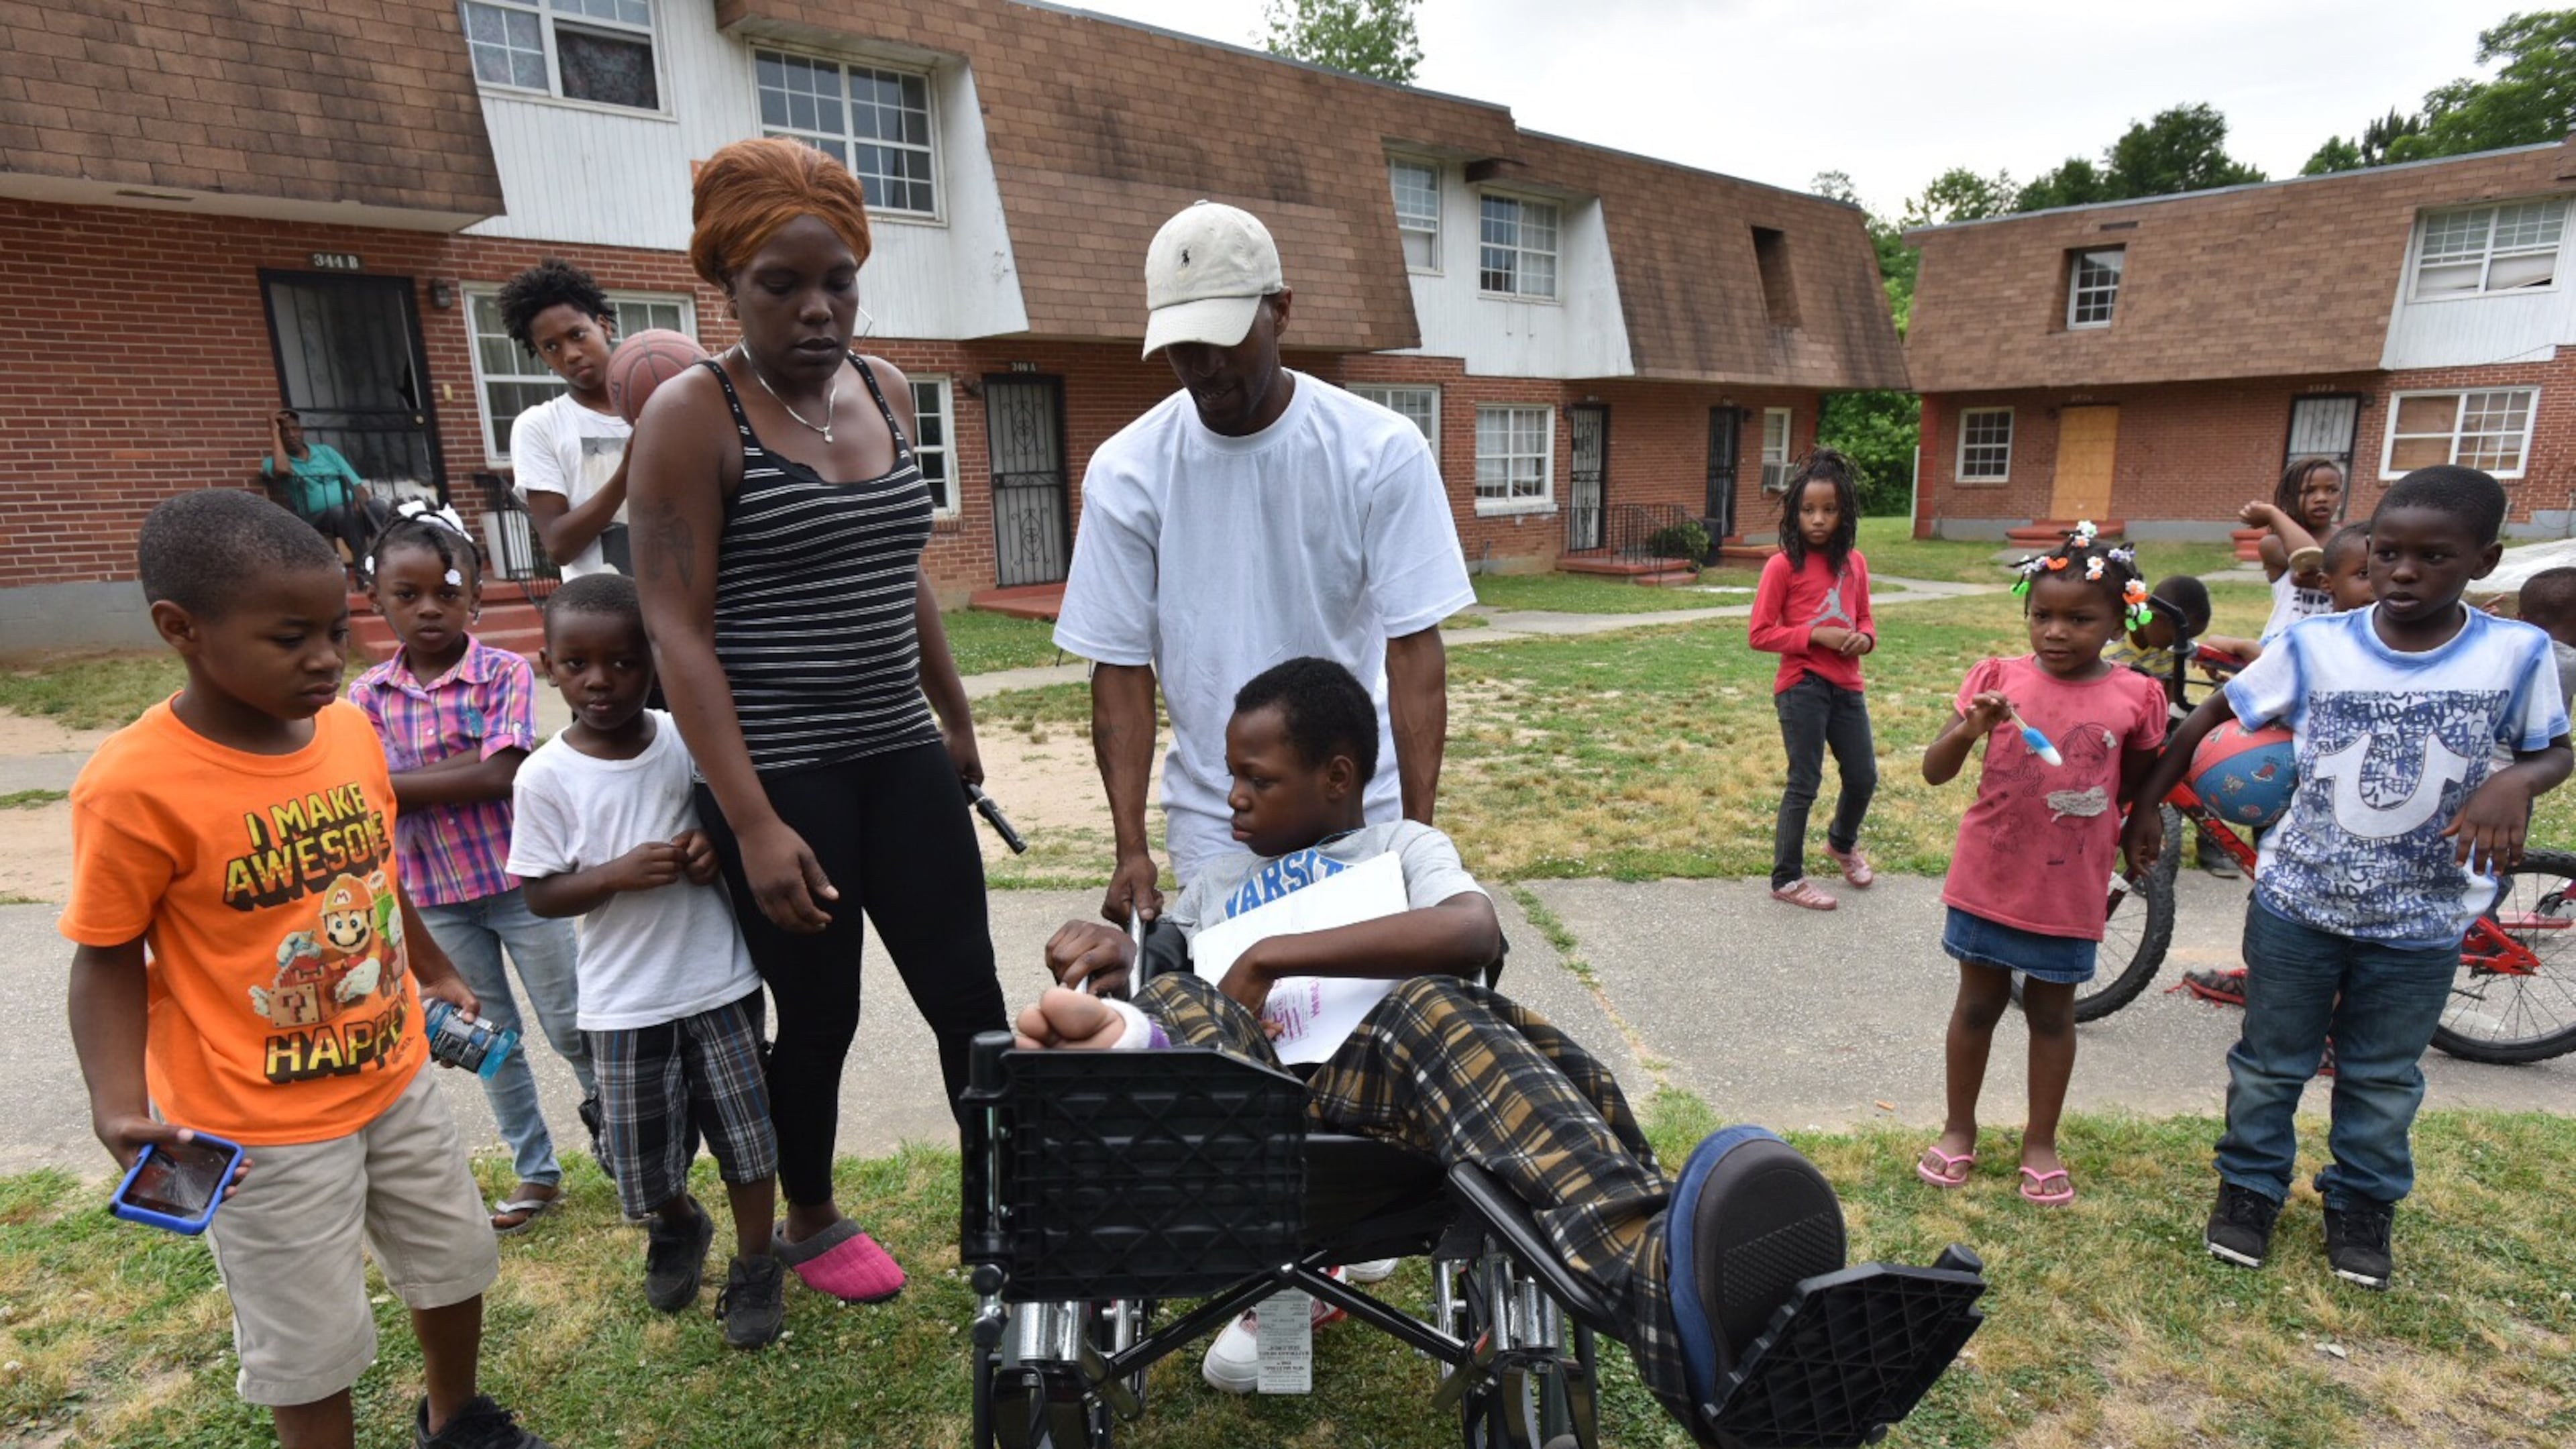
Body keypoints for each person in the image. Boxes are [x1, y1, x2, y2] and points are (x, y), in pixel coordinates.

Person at [1030, 655, 1845, 1437]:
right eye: (1232, 776)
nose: (1234, 800)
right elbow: (1172, 973)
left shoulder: (1400, 849)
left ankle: (1661, 1274)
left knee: (1437, 1006)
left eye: (1260, 780)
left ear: (1338, 777)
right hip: (1246, 1101)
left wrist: (1269, 956)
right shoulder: (1214, 887)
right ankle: (1132, 1039)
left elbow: (1473, 930)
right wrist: (1122, 956)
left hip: (1388, 1085)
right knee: (1173, 996)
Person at [62, 489, 548, 1449]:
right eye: (291, 639)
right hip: (257, 1127)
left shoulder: (347, 731)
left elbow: (371, 867)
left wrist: (432, 964)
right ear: (182, 630)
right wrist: (115, 1104)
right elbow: (106, 955)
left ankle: (456, 1421)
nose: (328, 658)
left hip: (395, 1074)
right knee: (311, 1344)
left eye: (336, 629)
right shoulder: (132, 784)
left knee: (456, 1265)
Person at [627, 137, 1004, 1303]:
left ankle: (1005, 1209)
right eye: (779, 285)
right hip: (780, 772)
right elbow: (678, 634)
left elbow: (900, 570)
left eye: (836, 278)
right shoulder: (693, 418)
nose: (816, 307)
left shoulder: (886, 389)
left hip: (898, 748)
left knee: (969, 999)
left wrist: (951, 716)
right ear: (725, 285)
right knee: (822, 1010)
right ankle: (810, 1211)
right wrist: (749, 822)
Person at [2129, 466, 2570, 1291]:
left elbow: (2553, 746)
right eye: (2390, 553)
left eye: (2434, 557)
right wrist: (2146, 804)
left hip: (2424, 920)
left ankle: (2362, 1205)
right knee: (2270, 1063)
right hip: (2300, 906)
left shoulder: (2517, 653)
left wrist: (2516, 782)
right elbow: (2211, 715)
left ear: (2484, 559)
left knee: (2382, 1076)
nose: (2404, 572)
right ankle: (2249, 1189)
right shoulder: (2318, 644)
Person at [1053, 201, 1474, 921]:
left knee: (1360, 1015)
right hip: (1222, 816)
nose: (1203, 367)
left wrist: (1414, 832)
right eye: (1183, 345)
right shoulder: (1128, 472)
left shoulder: (1378, 449)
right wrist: (1131, 847)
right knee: (1239, 1016)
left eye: (1222, 339)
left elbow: (1414, 652)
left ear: (1280, 311)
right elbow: (1119, 670)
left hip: (1353, 802)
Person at [507, 574, 784, 1348]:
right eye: (577, 664)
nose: (601, 681)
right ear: (548, 664)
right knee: (640, 1158)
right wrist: (611, 876)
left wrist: (712, 852)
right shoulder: (545, 776)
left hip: (717, 981)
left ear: (654, 663)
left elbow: (736, 824)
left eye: (624, 662)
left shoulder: (684, 736)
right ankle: (677, 1223)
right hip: (623, 1001)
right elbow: (540, 894)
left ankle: (757, 1264)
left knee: (748, 1140)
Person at [351, 506, 598, 1234]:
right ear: (377, 601)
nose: (429, 608)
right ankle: (535, 1171)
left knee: (573, 1027)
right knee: (487, 1042)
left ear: (475, 599)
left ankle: (624, 1145)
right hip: (434, 901)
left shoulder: (504, 673)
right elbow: (374, 792)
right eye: (408, 594)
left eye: (447, 592)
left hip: (527, 890)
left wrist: (395, 785)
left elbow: (501, 774)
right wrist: (451, 771)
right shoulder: (364, 697)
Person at [1916, 526, 2167, 1207]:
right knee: (1977, 1005)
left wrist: (2142, 822)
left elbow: (2140, 778)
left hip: (2068, 884)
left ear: (2120, 621)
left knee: (2053, 1015)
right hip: (1990, 876)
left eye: (2079, 619)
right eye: (2042, 616)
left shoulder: (2134, 696)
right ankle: (1958, 1128)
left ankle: (2040, 1141)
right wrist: (1972, 727)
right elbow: (1934, 772)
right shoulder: (1998, 680)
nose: (2056, 632)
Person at [1748, 449, 1878, 911]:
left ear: (1845, 513)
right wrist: (1814, 635)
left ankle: (1842, 844)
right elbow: (1760, 634)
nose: (1818, 519)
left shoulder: (1855, 563)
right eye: (1808, 510)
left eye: (1829, 509)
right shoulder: (1782, 566)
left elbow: (1864, 619)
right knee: (1804, 781)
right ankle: (1787, 878)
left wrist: (1864, 640)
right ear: (1794, 513)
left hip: (1848, 684)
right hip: (1801, 684)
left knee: (1863, 776)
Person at [500, 260, 633, 578]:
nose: (570, 354)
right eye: (551, 347)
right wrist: (628, 471)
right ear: (541, 356)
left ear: (604, 326)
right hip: (604, 615)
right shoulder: (540, 426)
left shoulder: (661, 405)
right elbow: (558, 545)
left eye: (577, 334)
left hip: (686, 602)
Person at [262, 408, 384, 574]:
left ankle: (387, 559)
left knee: (378, 506)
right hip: (316, 516)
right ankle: (365, 566)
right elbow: (282, 470)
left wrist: (358, 502)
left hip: (349, 509)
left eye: (295, 429)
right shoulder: (272, 462)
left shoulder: (326, 452)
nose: (291, 435)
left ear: (302, 431)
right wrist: (274, 430)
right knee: (341, 513)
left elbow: (358, 486)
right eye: (285, 431)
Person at [2246, 459, 2344, 645]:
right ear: (2289, 497)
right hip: (2284, 643)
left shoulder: (2350, 539)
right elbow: (2310, 558)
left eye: (2332, 490)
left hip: (2334, 643)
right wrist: (2273, 514)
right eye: (2309, 491)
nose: (2322, 498)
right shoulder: (2273, 544)